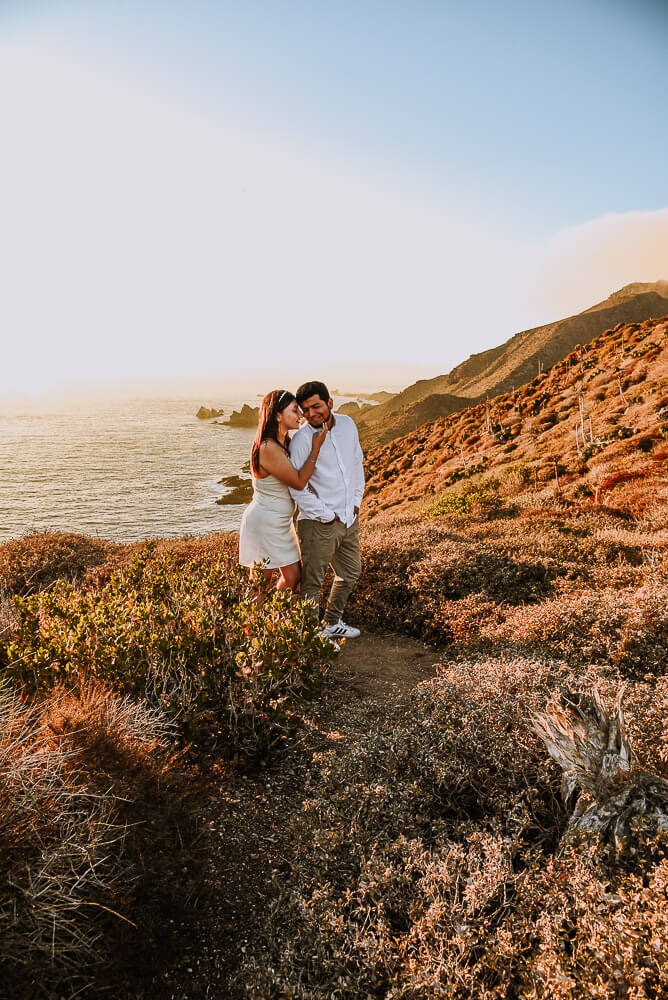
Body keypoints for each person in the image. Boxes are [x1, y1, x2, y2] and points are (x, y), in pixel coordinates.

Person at [288, 380, 364, 640]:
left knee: (350, 572)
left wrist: (356, 501)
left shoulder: (347, 425)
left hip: (348, 517)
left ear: (330, 403)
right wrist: (326, 514)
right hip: (318, 522)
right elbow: (296, 487)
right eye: (305, 410)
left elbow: (357, 462)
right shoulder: (301, 441)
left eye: (316, 406)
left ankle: (331, 623)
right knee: (312, 583)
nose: (311, 414)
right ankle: (309, 639)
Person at [239, 389, 327, 594]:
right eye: (295, 411)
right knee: (261, 583)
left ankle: (272, 619)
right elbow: (297, 481)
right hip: (265, 522)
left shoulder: (284, 442)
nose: (300, 416)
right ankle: (252, 625)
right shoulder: (268, 447)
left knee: (294, 577)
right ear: (278, 415)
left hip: (280, 522)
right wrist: (316, 448)